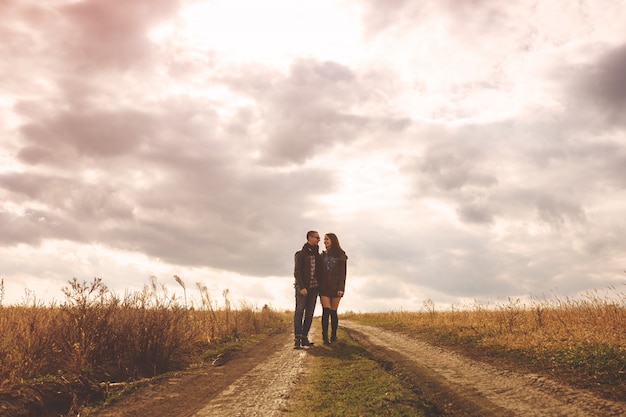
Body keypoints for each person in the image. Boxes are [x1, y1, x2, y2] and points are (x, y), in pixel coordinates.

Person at [293, 230, 324, 348]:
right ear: (309, 238)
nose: (318, 240)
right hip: (303, 288)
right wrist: (301, 287)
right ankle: (297, 338)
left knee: (309, 313)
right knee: (299, 311)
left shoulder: (318, 256)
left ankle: (304, 337)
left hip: (314, 288)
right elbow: (297, 272)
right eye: (317, 237)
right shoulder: (300, 254)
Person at [319, 233, 348, 345]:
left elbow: (343, 274)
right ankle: (324, 337)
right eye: (324, 239)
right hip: (324, 286)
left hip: (336, 286)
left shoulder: (341, 255)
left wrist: (341, 288)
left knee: (333, 312)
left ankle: (333, 336)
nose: (324, 241)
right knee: (325, 311)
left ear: (333, 241)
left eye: (327, 239)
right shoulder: (322, 256)